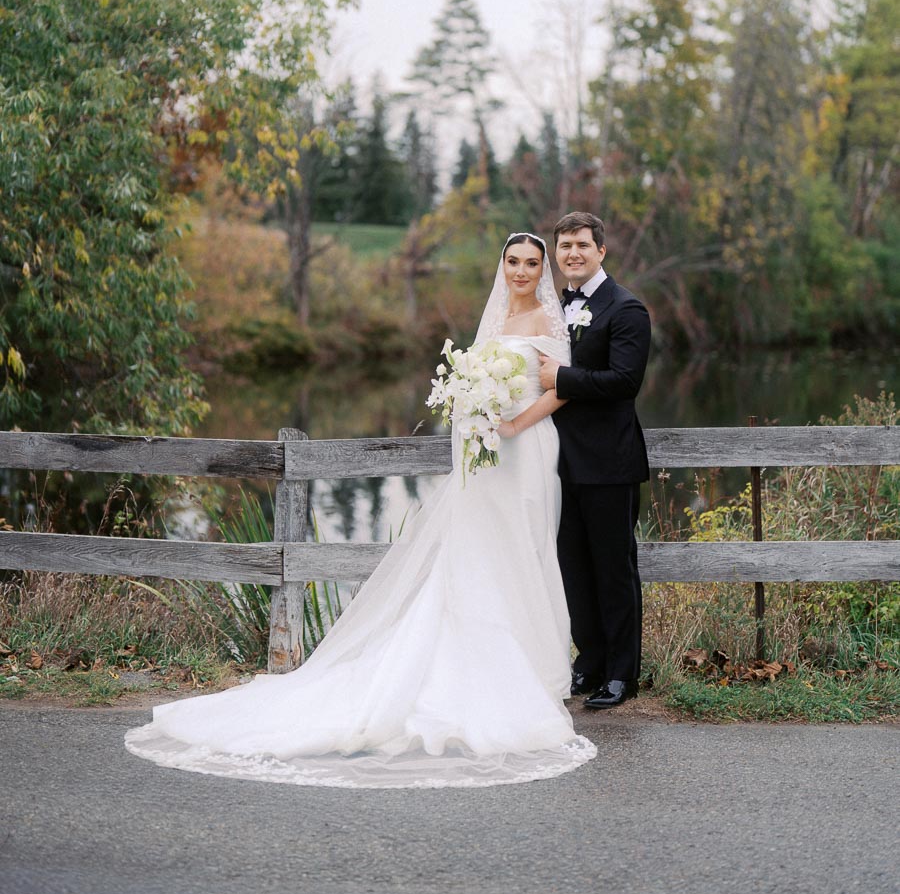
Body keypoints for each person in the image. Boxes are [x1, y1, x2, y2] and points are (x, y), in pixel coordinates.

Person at [125, 233, 596, 788]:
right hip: (487, 453)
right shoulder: (491, 322)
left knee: (525, 546)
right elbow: (474, 385)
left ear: (542, 270)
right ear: (503, 266)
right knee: (477, 550)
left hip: (528, 449)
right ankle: (476, 663)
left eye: (530, 264)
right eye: (513, 262)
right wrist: (471, 410)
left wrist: (515, 423)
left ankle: (530, 669)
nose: (520, 271)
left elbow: (559, 388)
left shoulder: (547, 318)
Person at [538, 212, 651, 710]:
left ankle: (623, 674)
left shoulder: (627, 309)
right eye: (564, 246)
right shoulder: (551, 308)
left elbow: (624, 383)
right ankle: (590, 662)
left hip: (609, 464)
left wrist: (562, 379)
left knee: (613, 569)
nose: (573, 254)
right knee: (572, 569)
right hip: (557, 464)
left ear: (601, 251)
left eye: (582, 245)